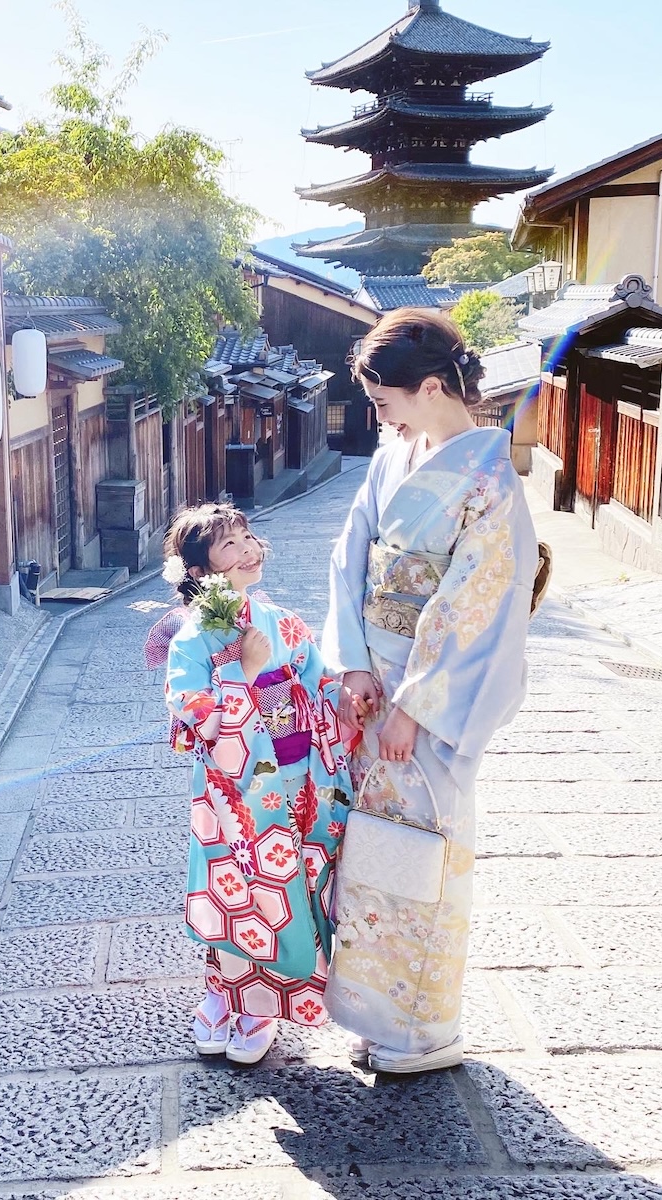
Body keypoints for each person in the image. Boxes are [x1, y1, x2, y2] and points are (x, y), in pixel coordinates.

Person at [320, 309, 539, 1074]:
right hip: (373, 695)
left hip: (425, 707)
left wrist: (413, 706)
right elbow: (351, 557)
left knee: (422, 856)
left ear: (434, 387)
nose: (381, 418)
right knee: (370, 855)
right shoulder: (393, 456)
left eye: (386, 402)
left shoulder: (490, 480)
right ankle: (374, 1013)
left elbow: (475, 604)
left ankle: (423, 1029)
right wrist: (352, 663)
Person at [156, 502, 353, 1065]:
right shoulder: (193, 636)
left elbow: (319, 680)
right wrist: (240, 673)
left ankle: (260, 1005)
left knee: (291, 886)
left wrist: (349, 697)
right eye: (230, 544)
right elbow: (190, 707)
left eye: (247, 537)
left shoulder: (282, 620)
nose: (247, 549)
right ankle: (224, 994)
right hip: (232, 791)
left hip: (297, 779)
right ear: (200, 571)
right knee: (236, 888)